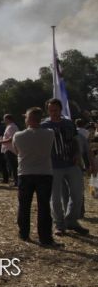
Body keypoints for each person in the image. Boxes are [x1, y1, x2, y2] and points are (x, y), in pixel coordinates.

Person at [42, 98, 93, 236]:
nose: (53, 113)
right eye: (51, 110)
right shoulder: (44, 126)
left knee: (77, 195)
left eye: (56, 110)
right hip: (53, 166)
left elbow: (76, 141)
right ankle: (59, 224)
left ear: (61, 109)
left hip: (72, 164)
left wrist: (77, 154)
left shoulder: (69, 123)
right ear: (48, 111)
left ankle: (71, 221)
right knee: (55, 198)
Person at [13, 107, 57, 246]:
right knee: (44, 207)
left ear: (29, 119)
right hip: (44, 173)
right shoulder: (50, 133)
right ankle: (45, 237)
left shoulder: (18, 135)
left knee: (24, 205)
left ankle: (24, 233)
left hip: (25, 173)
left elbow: (17, 151)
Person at [0, 114, 19, 186]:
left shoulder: (12, 127)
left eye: (4, 119)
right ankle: (16, 181)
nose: (4, 121)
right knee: (12, 166)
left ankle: (16, 181)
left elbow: (12, 138)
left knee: (13, 166)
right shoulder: (10, 126)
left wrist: (2, 141)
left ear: (8, 119)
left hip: (10, 149)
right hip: (9, 149)